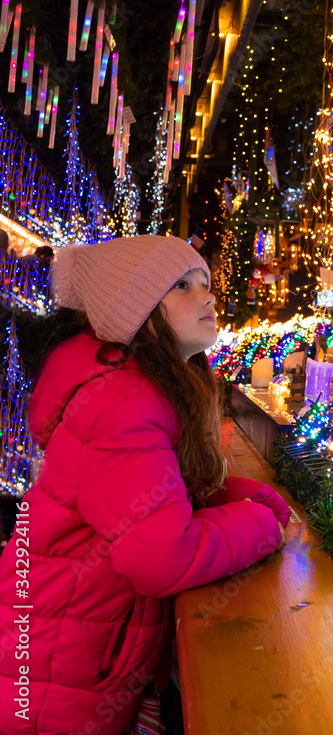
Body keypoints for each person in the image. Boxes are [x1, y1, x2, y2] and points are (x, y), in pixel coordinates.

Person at [0, 235, 291, 735]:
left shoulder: (140, 384)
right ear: (136, 310)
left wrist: (245, 499)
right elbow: (162, 557)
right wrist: (264, 524)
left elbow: (154, 501)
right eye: (181, 285)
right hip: (57, 672)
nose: (207, 296)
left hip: (72, 647)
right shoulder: (125, 402)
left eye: (206, 283)